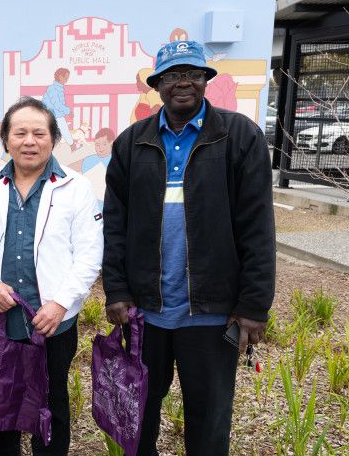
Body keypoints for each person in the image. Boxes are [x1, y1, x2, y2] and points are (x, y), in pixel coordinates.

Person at [102, 40, 275, 456]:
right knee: (141, 411)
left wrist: (253, 305)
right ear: (157, 84)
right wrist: (118, 290)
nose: (184, 83)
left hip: (212, 312)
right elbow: (115, 225)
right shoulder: (132, 143)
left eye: (194, 74)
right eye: (173, 75)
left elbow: (258, 227)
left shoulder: (238, 137)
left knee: (210, 418)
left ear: (206, 81)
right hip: (148, 311)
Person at [0, 96, 103, 456]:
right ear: (6, 139)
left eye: (39, 133)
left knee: (52, 400)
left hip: (52, 321)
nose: (29, 141)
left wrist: (60, 303)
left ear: (53, 139)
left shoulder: (76, 186)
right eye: (19, 132)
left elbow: (89, 253)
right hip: (4, 316)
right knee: (1, 399)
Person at [42, 68, 73, 144]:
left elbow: (60, 104)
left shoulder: (59, 88)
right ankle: (72, 145)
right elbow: (57, 103)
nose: (66, 80)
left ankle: (72, 145)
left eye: (67, 78)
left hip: (55, 113)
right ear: (60, 77)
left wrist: (66, 111)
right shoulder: (52, 88)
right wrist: (68, 111)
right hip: (51, 113)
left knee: (61, 129)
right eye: (66, 78)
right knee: (63, 128)